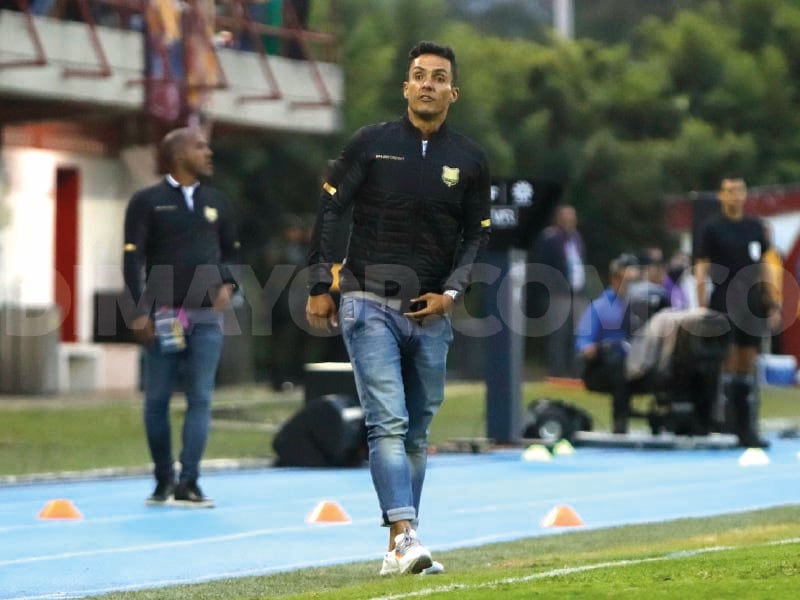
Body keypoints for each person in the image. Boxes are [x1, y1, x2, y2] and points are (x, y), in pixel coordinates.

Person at [305, 41, 491, 576]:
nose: (427, 84)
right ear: (406, 87)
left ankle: (398, 544)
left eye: (438, 77)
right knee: (387, 423)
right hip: (366, 301)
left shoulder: (471, 159)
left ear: (453, 92)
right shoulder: (371, 143)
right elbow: (330, 209)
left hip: (430, 313)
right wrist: (321, 282)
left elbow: (477, 237)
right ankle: (405, 535)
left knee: (417, 431)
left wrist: (451, 293)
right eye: (418, 75)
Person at [123, 126, 241, 507]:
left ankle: (189, 481)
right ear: (177, 155)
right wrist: (140, 308)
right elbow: (132, 258)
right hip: (164, 315)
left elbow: (231, 254)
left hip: (207, 317)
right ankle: (162, 479)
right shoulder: (147, 201)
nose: (208, 152)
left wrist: (229, 285)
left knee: (201, 398)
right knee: (157, 399)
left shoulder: (218, 202)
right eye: (200, 146)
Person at [694, 177, 780, 448]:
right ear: (721, 196)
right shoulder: (712, 228)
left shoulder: (755, 227)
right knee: (726, 361)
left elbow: (765, 263)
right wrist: (701, 304)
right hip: (723, 300)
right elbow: (701, 266)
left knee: (747, 363)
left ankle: (746, 428)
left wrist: (771, 300)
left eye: (739, 191)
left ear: (745, 196)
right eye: (729, 191)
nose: (734, 196)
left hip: (751, 302)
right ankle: (722, 422)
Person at [575, 253, 646, 434]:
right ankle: (620, 424)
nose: (632, 287)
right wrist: (592, 348)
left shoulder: (645, 305)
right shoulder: (600, 306)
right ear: (614, 279)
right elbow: (584, 343)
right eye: (627, 281)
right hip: (605, 366)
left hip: (640, 364)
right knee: (620, 367)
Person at [530, 204, 586, 377]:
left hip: (576, 293)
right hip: (556, 294)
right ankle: (557, 372)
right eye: (566, 216)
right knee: (558, 334)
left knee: (578, 333)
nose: (570, 220)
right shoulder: (550, 237)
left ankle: (576, 371)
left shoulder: (576, 237)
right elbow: (541, 264)